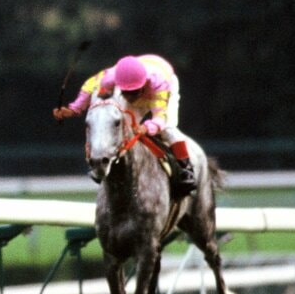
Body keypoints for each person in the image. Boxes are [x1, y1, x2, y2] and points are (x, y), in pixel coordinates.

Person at [52, 53, 197, 195]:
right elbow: (89, 86)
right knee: (122, 127)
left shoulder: (160, 84)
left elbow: (160, 118)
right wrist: (74, 109)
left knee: (168, 129)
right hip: (137, 77)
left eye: (134, 92)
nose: (130, 98)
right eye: (126, 93)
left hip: (162, 85)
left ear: (143, 84)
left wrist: (146, 127)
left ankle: (186, 169)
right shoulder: (109, 77)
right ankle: (105, 165)